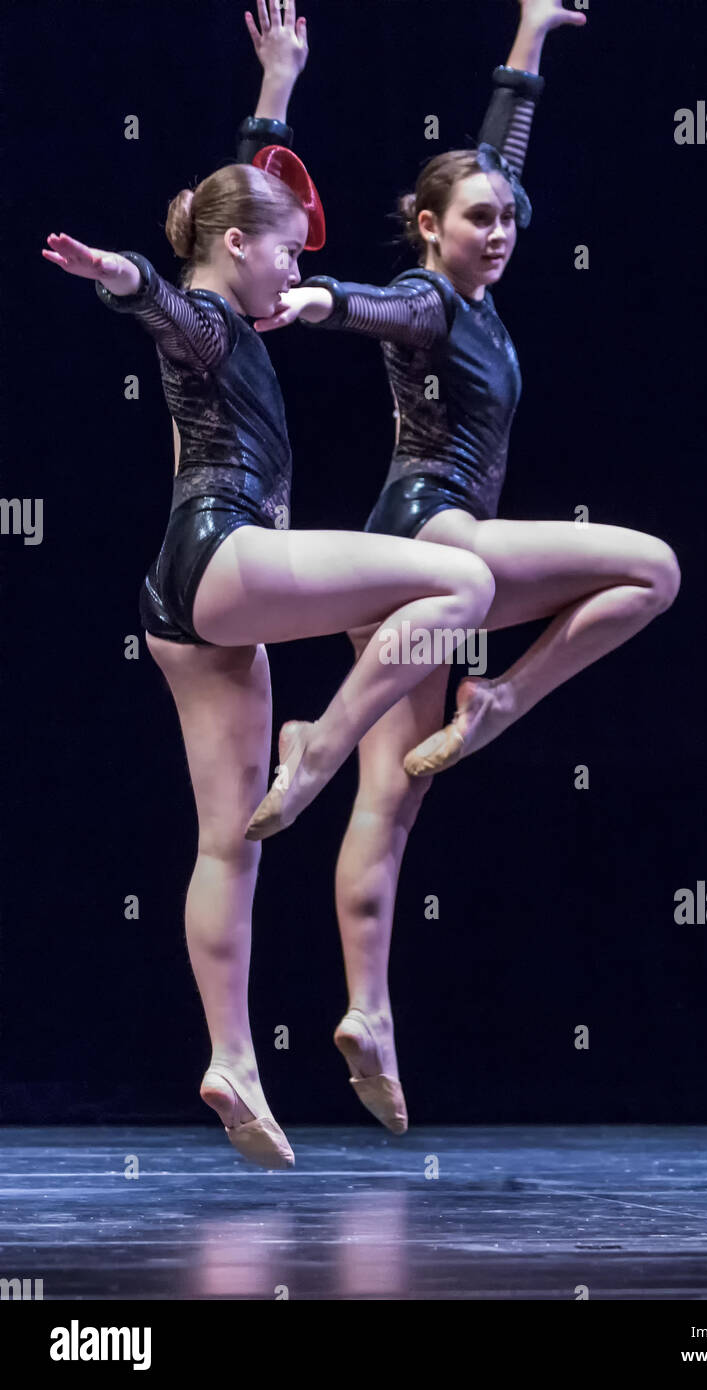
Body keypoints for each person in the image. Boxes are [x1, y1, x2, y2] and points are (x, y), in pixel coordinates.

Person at [40, 0, 495, 1169]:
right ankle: (324, 744)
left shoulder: (232, 280)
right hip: (220, 554)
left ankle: (231, 1062)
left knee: (225, 841)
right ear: (238, 250)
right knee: (454, 584)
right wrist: (114, 274)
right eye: (288, 248)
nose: (298, 266)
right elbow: (165, 294)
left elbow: (239, 192)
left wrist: (277, 77)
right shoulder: (203, 313)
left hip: (179, 600)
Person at [252, 0, 680, 1134]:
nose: (498, 231)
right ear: (429, 228)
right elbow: (385, 305)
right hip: (438, 540)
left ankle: (367, 1015)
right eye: (477, 219)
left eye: (505, 220)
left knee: (389, 805)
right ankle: (495, 698)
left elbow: (500, 150)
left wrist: (529, 35)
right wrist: (321, 298)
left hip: (408, 571)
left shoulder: (475, 282)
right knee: (650, 569)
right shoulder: (433, 301)